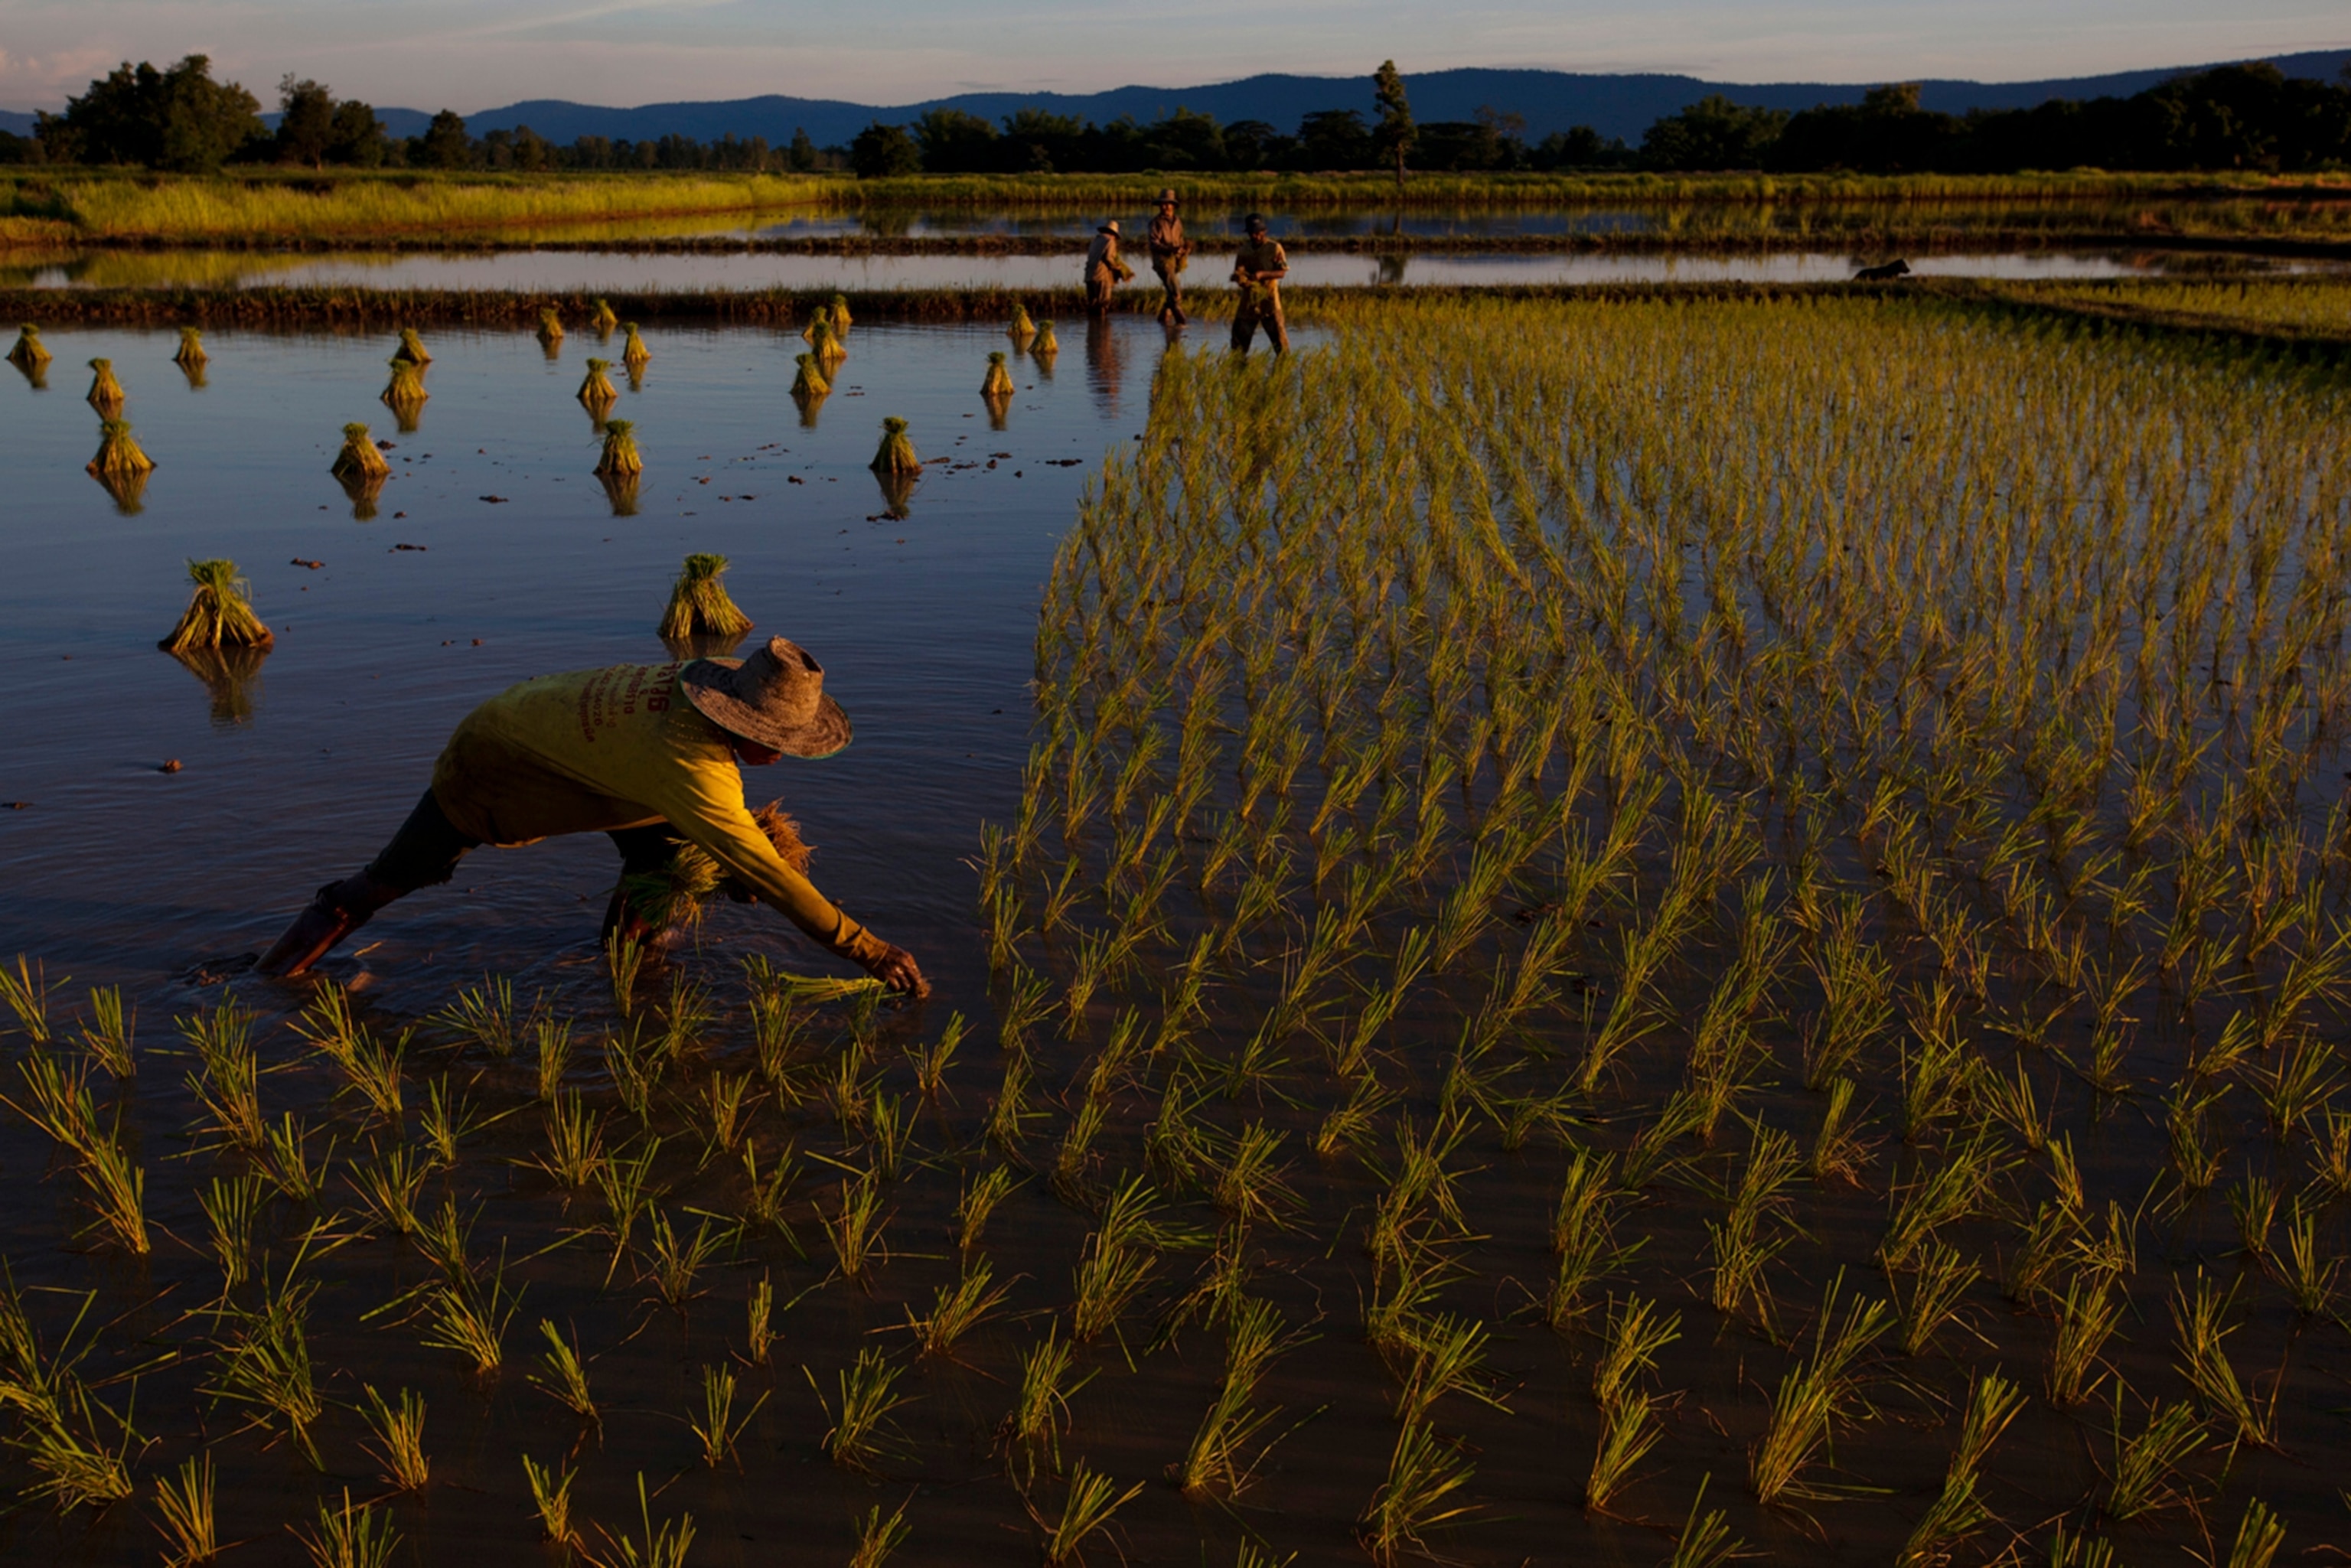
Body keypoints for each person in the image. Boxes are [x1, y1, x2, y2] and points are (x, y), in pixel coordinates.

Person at [255, 636, 928, 996]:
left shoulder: (706, 686)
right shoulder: (690, 765)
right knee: (384, 882)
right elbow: (771, 878)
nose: (780, 760)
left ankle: (630, 984)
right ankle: (266, 983)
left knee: (660, 862)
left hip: (578, 741)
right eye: (775, 744)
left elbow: (733, 835)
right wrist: (870, 950)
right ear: (739, 716)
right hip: (495, 762)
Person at [1230, 213, 1289, 354]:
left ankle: (1283, 371)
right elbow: (1239, 273)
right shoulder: (1244, 250)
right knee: (1238, 347)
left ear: (1264, 231)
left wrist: (1262, 275)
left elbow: (1281, 272)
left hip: (1269, 300)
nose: (1255, 236)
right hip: (1248, 301)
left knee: (1281, 346)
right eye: (1252, 233)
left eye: (1258, 233)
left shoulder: (1274, 248)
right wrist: (1242, 281)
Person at [1146, 190, 1190, 324]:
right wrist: (1170, 249)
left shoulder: (1178, 222)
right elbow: (1154, 244)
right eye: (1162, 204)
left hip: (1175, 261)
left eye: (1167, 204)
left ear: (1173, 206)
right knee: (1176, 293)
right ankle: (1182, 323)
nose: (1164, 207)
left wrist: (1184, 249)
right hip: (1162, 262)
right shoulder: (1155, 223)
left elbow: (1180, 240)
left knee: (1171, 294)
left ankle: (1163, 320)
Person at [1084, 220, 1131, 316]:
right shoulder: (1110, 241)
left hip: (1089, 276)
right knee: (1103, 302)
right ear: (1113, 234)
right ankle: (1102, 326)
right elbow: (1109, 258)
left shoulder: (1095, 240)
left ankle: (1092, 327)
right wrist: (1117, 267)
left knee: (1092, 302)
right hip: (1102, 276)